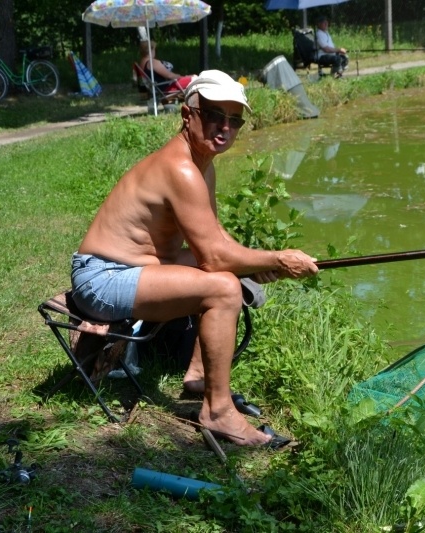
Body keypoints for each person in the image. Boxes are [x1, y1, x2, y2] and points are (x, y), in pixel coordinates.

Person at [70, 70, 319, 446]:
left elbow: (214, 237)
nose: (225, 127)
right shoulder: (181, 168)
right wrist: (277, 257)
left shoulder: (202, 164)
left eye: (234, 120)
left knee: (231, 279)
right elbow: (215, 257)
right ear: (188, 114)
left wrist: (262, 263)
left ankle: (200, 379)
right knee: (223, 288)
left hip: (140, 268)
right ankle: (218, 412)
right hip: (103, 278)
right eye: (214, 115)